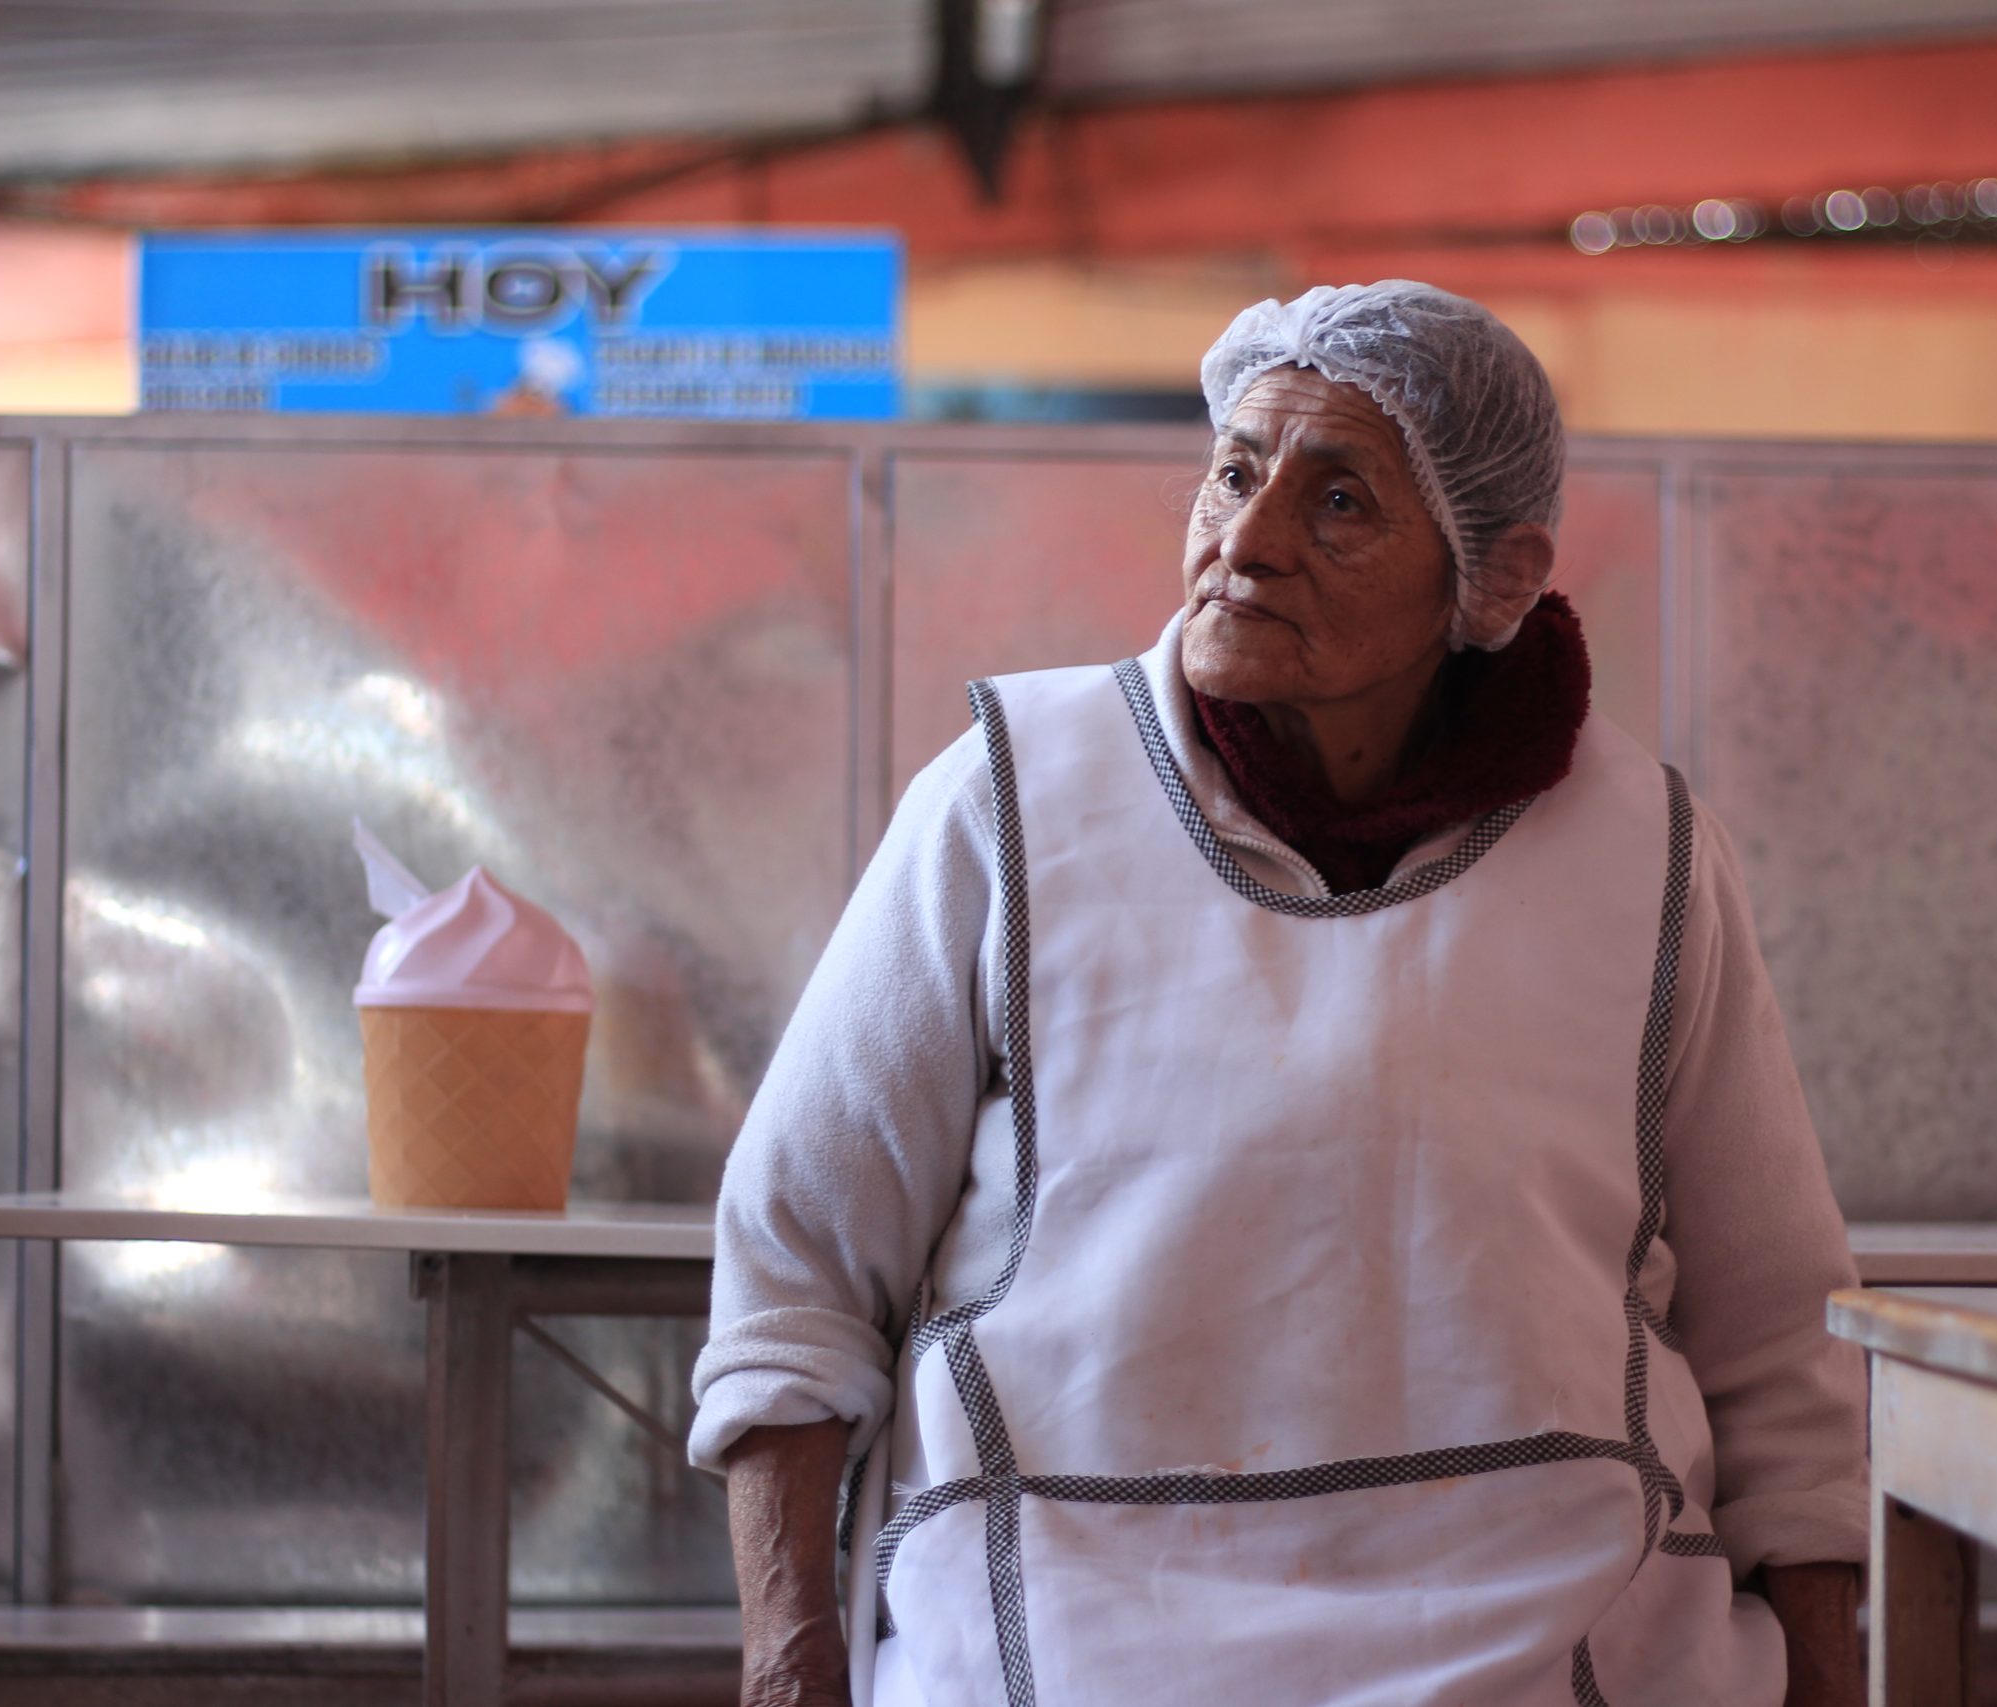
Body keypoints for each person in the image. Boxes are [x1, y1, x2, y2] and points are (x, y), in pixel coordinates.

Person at [692, 281, 1869, 1707]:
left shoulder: (1648, 856)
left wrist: (1829, 1664)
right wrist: (787, 1660)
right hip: (1058, 1645)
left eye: (1341, 504)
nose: (1243, 542)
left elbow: (1780, 1335)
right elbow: (796, 1269)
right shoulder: (1010, 803)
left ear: (1492, 579)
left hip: (1560, 1650)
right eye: (1235, 473)